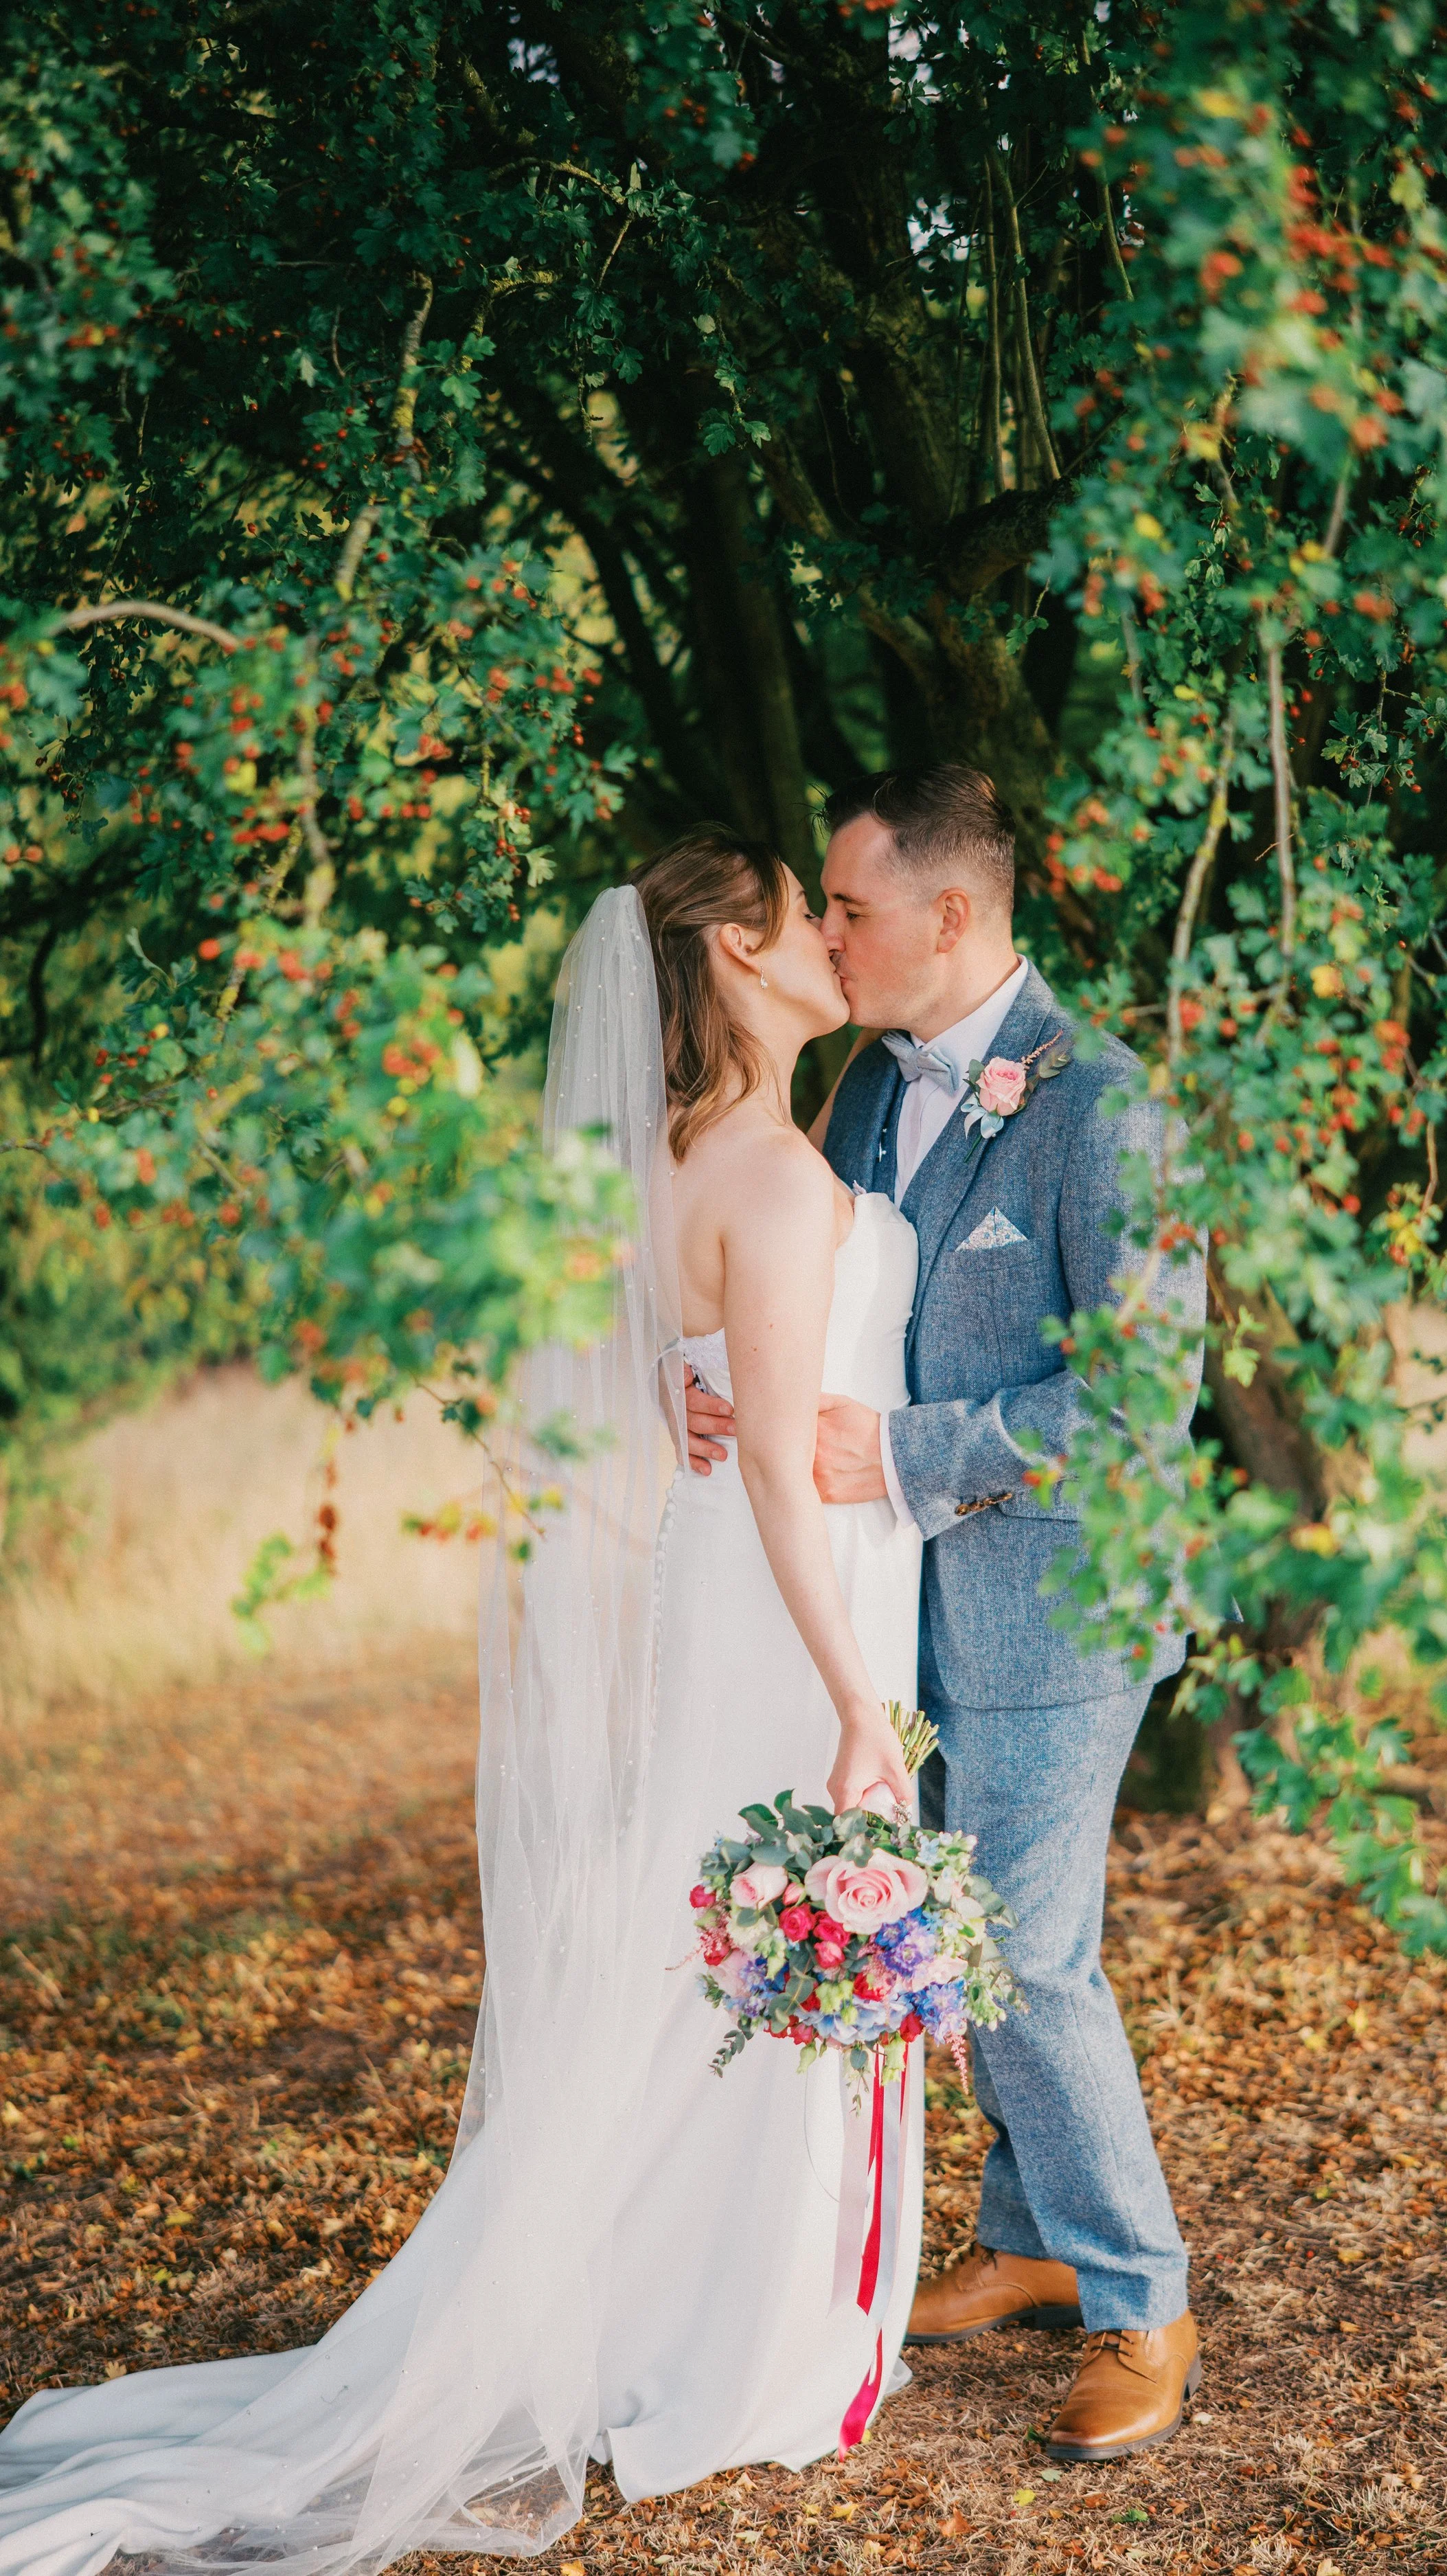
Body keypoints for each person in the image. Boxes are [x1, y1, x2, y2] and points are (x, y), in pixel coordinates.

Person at [0, 833, 925, 2573]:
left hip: (705, 1591)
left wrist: (682, 1383)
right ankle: (731, 2343)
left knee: (698, 1953)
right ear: (736, 949)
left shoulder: (672, 1159)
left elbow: (665, 1379)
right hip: (785, 1605)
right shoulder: (781, 1183)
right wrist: (860, 1704)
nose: (830, 935)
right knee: (750, 1949)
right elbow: (792, 1482)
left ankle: (641, 2305)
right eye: (808, 911)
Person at [685, 766, 1206, 2462]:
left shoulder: (1106, 1108)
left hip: (1062, 1603)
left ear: (953, 916)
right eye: (819, 912)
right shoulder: (856, 1090)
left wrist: (907, 1451)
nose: (826, 934)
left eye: (846, 907)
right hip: (898, 1595)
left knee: (1023, 1960)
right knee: (957, 1924)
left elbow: (1143, 1396)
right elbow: (824, 1309)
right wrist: (729, 1402)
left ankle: (1140, 2300)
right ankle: (1030, 2243)